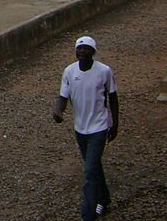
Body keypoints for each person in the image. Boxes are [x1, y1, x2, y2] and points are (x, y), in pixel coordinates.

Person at [53, 36, 119, 221]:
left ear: (93, 52)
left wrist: (115, 123)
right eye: (79, 49)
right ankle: (104, 198)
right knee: (94, 165)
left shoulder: (104, 71)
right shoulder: (69, 71)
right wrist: (58, 111)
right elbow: (63, 96)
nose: (82, 52)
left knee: (89, 170)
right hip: (80, 128)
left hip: (99, 126)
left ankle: (88, 214)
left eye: (86, 49)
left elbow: (113, 97)